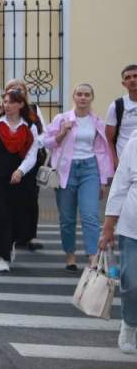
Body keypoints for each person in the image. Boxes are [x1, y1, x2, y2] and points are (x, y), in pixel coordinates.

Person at [43, 84, 113, 271]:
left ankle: (92, 257)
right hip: (66, 171)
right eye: (79, 94)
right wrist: (62, 132)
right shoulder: (62, 118)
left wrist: (103, 180)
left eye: (87, 95)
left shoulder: (97, 122)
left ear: (91, 98)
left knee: (90, 215)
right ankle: (70, 255)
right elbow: (46, 142)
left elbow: (102, 152)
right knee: (67, 218)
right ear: (74, 97)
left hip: (90, 169)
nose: (83, 98)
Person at [0, 90, 42, 272]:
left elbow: (32, 154)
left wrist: (20, 171)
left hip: (19, 177)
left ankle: (10, 242)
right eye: (5, 102)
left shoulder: (30, 126)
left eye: (11, 102)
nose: (7, 105)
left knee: (16, 215)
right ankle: (2, 256)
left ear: (21, 104)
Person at [99, 135, 137, 354]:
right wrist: (108, 226)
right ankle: (130, 323)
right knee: (132, 282)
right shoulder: (134, 143)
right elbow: (120, 186)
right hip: (132, 229)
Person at [106, 64, 137, 168]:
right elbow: (109, 139)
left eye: (135, 76)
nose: (132, 80)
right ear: (124, 84)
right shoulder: (116, 105)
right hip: (125, 162)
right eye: (128, 78)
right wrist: (115, 162)